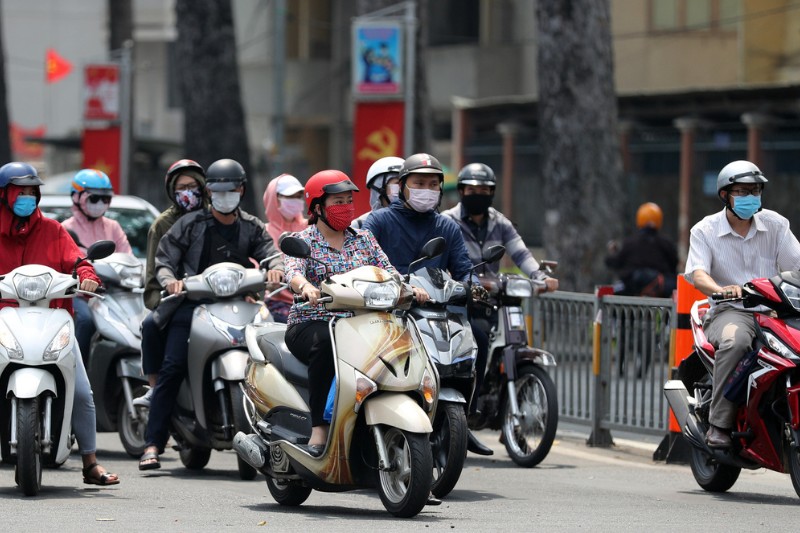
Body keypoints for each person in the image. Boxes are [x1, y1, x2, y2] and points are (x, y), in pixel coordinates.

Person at [138, 158, 284, 470]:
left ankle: (280, 437)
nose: (224, 195)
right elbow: (165, 259)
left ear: (241, 191)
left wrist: (275, 270)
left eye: (230, 190)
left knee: (270, 360)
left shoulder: (251, 227)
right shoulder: (189, 225)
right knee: (173, 365)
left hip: (241, 303)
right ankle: (153, 442)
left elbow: (271, 254)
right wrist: (170, 281)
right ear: (209, 192)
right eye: (217, 190)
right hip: (191, 305)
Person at [284, 169, 429, 457]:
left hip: (362, 325)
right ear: (317, 207)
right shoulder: (303, 240)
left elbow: (388, 271)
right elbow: (292, 271)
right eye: (338, 202)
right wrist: (306, 288)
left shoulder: (364, 239)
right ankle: (319, 427)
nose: (346, 208)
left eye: (349, 201)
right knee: (326, 344)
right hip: (313, 323)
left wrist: (411, 288)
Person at [362, 153, 496, 456]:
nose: (426, 189)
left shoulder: (446, 227)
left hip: (438, 311)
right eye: (419, 182)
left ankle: (465, 417)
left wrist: (472, 288)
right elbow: (366, 262)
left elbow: (462, 268)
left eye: (433, 184)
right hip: (390, 312)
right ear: (403, 186)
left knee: (479, 332)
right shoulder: (380, 221)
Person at [0, 162, 119, 486]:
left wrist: (88, 276)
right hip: (4, 319)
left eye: (31, 191)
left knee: (81, 390)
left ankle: (91, 462)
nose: (26, 197)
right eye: (19, 191)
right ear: (4, 195)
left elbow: (78, 262)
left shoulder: (53, 230)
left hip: (53, 319)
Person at [684, 160, 800, 449]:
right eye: (743, 191)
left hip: (776, 312)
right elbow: (698, 273)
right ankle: (719, 424)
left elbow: (797, 265)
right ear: (725, 195)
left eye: (756, 190)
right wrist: (721, 290)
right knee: (736, 343)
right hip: (731, 312)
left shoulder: (776, 225)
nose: (752, 197)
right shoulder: (705, 229)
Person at [133, 159, 207, 408]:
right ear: (172, 192)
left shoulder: (215, 216)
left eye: (193, 185)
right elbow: (153, 278)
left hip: (216, 294)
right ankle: (155, 387)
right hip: (175, 297)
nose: (188, 192)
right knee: (150, 325)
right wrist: (166, 297)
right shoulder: (162, 225)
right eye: (182, 187)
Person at [61, 169, 132, 364]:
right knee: (85, 321)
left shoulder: (113, 227)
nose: (100, 204)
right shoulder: (66, 229)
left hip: (113, 293)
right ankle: (77, 371)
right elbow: (68, 264)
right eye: (94, 198)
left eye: (105, 199)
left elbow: (127, 257)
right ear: (77, 197)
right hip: (79, 295)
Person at [605, 202, 678, 298]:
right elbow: (674, 263)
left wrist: (609, 258)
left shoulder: (630, 242)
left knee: (608, 294)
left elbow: (617, 262)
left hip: (632, 290)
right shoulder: (666, 243)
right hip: (660, 291)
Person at [262, 173, 307, 323]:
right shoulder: (263, 232)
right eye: (290, 196)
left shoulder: (310, 228)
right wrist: (270, 280)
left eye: (298, 196)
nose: (296, 200)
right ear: (274, 199)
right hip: (279, 303)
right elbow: (258, 266)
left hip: (313, 299)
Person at [351, 155, 403, 229]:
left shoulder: (419, 223)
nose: (404, 188)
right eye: (398, 183)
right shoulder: (359, 226)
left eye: (405, 183)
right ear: (379, 186)